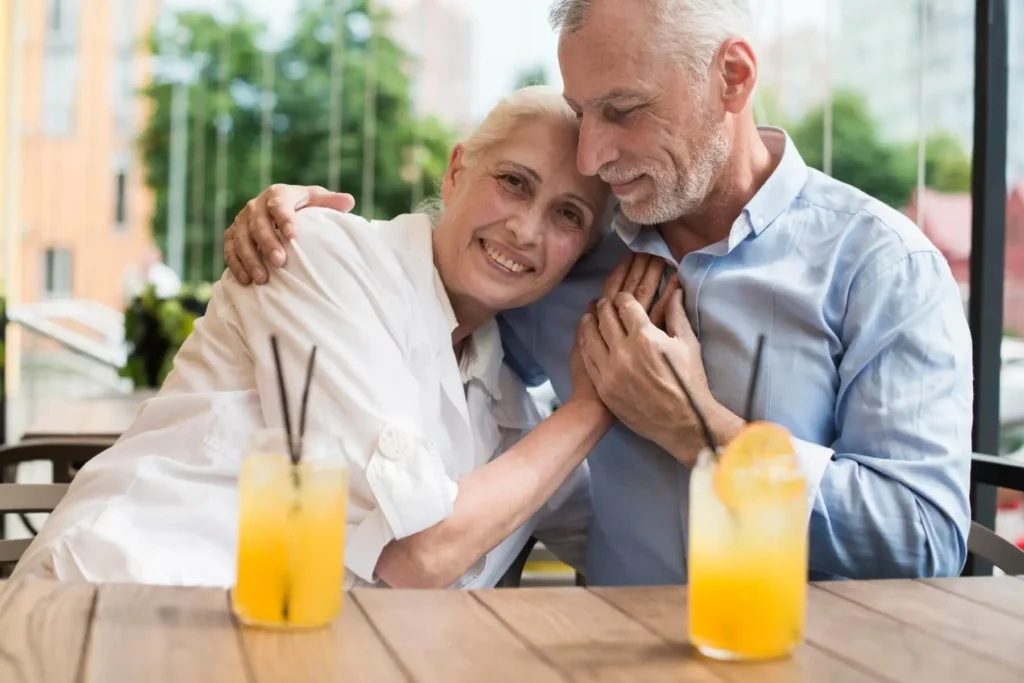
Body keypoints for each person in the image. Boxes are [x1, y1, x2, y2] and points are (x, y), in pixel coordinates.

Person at [224, 0, 974, 584]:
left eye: (623, 110)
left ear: (733, 78)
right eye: (582, 113)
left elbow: (923, 539)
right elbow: (433, 296)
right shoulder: (564, 252)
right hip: (592, 655)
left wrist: (697, 429)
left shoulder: (879, 266)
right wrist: (294, 218)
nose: (591, 154)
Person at [13, 86, 665, 589]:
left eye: (567, 215)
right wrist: (596, 401)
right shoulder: (318, 253)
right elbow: (420, 551)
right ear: (457, 170)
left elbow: (641, 546)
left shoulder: (508, 406)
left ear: (580, 250)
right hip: (116, 603)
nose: (526, 228)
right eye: (514, 182)